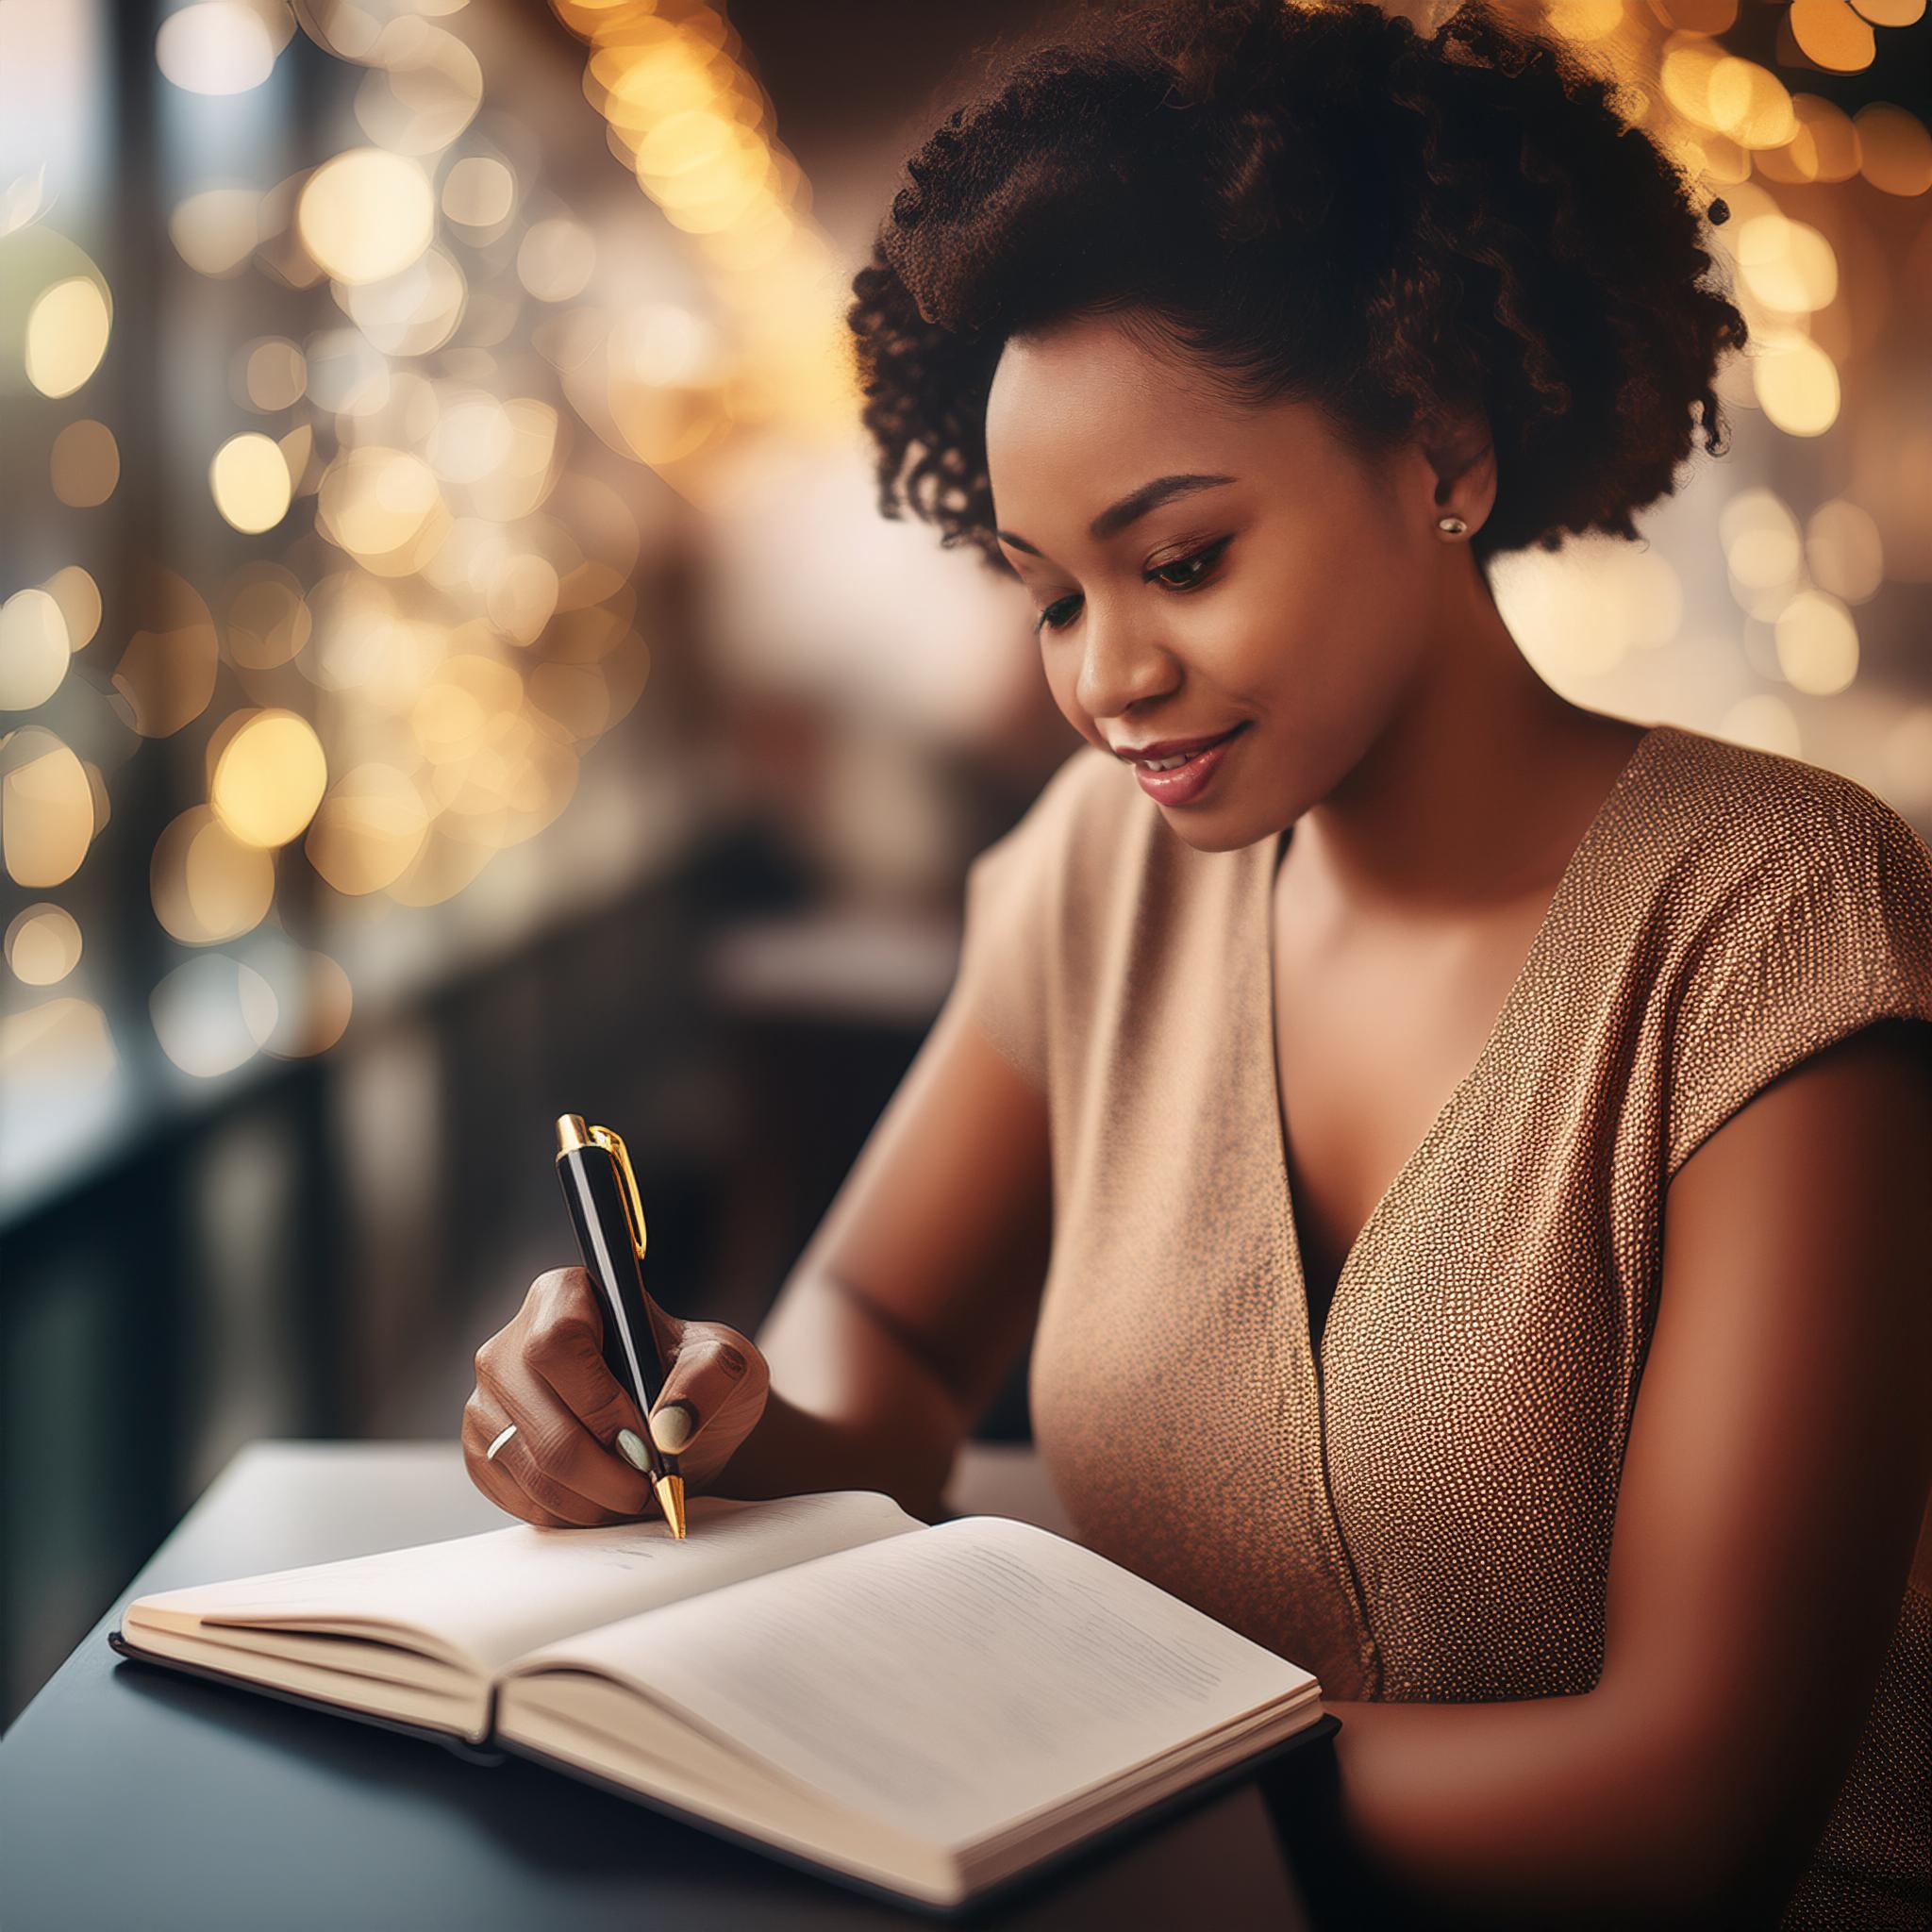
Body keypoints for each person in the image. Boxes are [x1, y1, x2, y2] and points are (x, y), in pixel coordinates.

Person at [462, 1, 1932, 1924]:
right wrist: (718, 1417)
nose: (1101, 678)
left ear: (1444, 449)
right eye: (1050, 590)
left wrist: (1076, 1772)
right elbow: (887, 1346)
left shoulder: (1776, 913)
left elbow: (1686, 1797)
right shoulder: (1107, 871)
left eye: (1182, 559)